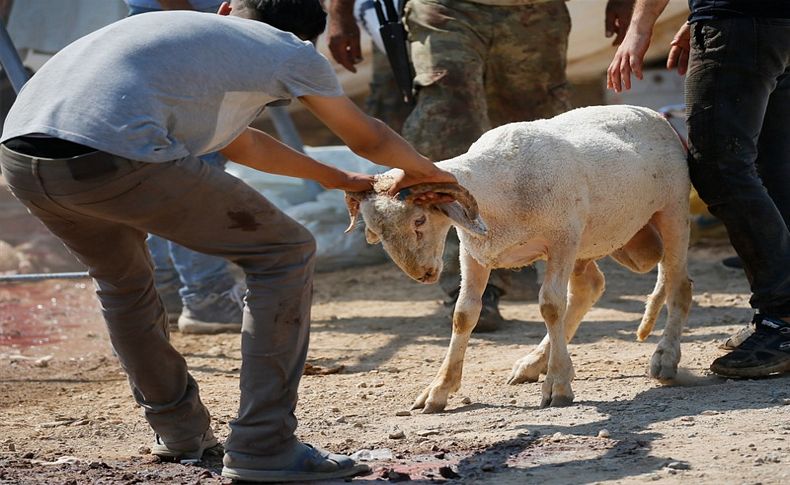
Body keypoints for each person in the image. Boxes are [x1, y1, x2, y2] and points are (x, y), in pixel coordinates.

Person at [0, 0, 456, 481]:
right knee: (285, 252)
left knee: (123, 284)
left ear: (225, 8)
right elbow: (369, 138)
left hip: (22, 157)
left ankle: (180, 434)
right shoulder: (288, 48)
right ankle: (265, 446)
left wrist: (337, 178)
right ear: (309, 39)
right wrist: (438, 176)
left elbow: (243, 143)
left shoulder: (186, 36)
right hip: (113, 154)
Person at [328, 0, 634, 331]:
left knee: (533, 134)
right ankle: (472, 287)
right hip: (444, 8)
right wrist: (340, 13)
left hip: (534, 11)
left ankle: (525, 249)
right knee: (446, 122)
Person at [608, 0, 790, 378]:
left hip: (740, 24)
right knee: (773, 168)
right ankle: (778, 318)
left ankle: (782, 318)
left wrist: (640, 29)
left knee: (721, 168)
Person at [125, 0, 244, 335]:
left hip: (171, 32)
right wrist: (194, 28)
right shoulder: (192, 31)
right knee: (196, 169)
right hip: (187, 34)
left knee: (171, 167)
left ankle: (168, 288)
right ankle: (207, 294)